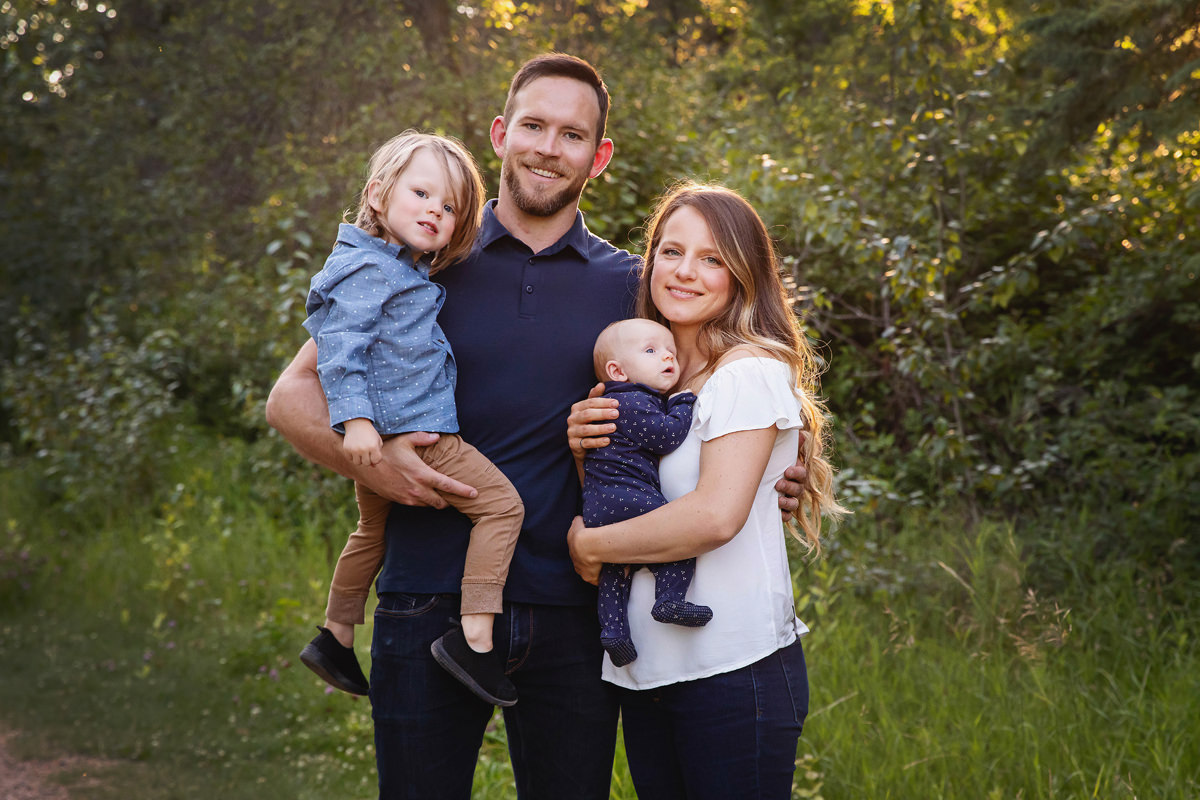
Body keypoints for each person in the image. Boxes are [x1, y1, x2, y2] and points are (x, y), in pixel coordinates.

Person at [266, 53, 809, 799]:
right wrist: (377, 467)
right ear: (500, 134)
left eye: (572, 134)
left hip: (575, 611)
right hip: (428, 594)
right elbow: (290, 397)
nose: (549, 148)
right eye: (533, 126)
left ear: (599, 156)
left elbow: (720, 384)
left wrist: (783, 466)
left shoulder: (632, 287)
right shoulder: (422, 262)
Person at [567, 182, 846, 800]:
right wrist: (583, 441)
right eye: (671, 251)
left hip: (732, 669)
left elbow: (715, 517)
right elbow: (616, 488)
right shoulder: (646, 384)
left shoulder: (747, 372)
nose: (685, 272)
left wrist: (590, 548)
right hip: (647, 670)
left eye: (712, 258)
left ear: (742, 276)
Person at [296, 131, 523, 707]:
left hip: (389, 430)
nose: (434, 211)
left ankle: (336, 634)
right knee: (502, 507)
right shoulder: (373, 272)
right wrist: (357, 424)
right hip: (417, 433)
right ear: (377, 194)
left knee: (373, 531)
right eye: (421, 193)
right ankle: (476, 638)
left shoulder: (390, 267)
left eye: (448, 207)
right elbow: (341, 350)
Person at [584, 318, 711, 668]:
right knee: (675, 541)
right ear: (618, 371)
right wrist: (683, 404)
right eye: (652, 351)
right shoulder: (632, 402)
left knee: (614, 569)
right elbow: (666, 436)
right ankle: (669, 599)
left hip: (598, 505)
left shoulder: (617, 401)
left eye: (670, 351)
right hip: (630, 497)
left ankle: (614, 632)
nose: (667, 358)